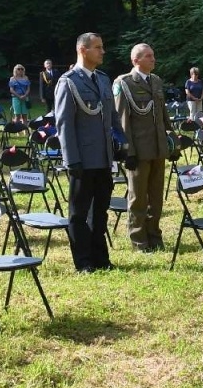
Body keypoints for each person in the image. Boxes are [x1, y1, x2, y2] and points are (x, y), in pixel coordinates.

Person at [58, 32, 125, 272]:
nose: (103, 51)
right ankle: (83, 262)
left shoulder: (104, 80)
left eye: (102, 47)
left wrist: (122, 144)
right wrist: (71, 160)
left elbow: (113, 116)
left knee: (100, 212)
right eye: (98, 47)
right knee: (79, 213)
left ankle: (101, 258)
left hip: (104, 157)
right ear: (83, 50)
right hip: (82, 159)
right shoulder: (69, 82)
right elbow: (64, 123)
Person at [112, 44, 174, 253]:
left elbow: (163, 115)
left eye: (153, 56)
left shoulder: (155, 81)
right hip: (138, 150)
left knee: (156, 196)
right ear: (136, 60)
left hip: (157, 148)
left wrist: (172, 143)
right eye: (149, 56)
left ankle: (154, 236)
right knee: (138, 196)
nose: (153, 59)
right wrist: (127, 151)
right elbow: (122, 121)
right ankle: (139, 239)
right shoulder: (124, 83)